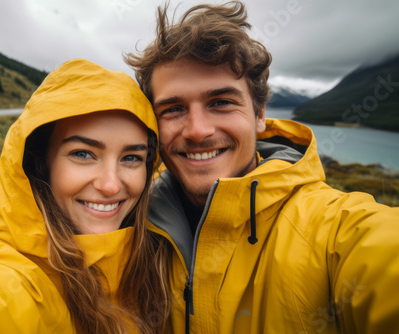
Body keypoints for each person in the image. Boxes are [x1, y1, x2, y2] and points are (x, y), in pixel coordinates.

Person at [124, 2, 399, 333]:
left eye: (221, 103)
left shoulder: (334, 230)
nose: (197, 130)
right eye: (172, 108)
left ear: (259, 116)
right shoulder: (126, 221)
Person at [0, 59, 171, 333]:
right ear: (41, 162)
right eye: (82, 154)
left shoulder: (160, 250)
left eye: (131, 158)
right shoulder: (4, 281)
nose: (111, 185)